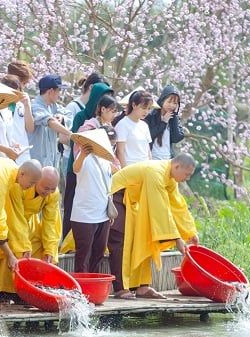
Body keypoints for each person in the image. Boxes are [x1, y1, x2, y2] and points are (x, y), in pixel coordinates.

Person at [108, 155, 199, 300]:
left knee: (144, 238)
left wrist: (190, 232)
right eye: (187, 174)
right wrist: (177, 238)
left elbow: (177, 206)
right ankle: (120, 288)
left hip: (133, 202)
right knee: (120, 239)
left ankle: (142, 287)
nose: (187, 178)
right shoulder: (156, 172)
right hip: (116, 195)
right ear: (177, 167)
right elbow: (160, 208)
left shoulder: (170, 179)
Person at [0, 166, 61, 301]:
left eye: (52, 189)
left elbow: (51, 222)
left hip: (30, 223)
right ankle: (3, 291)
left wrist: (50, 250)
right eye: (45, 188)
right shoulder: (19, 187)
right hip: (11, 219)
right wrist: (23, 245)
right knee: (13, 248)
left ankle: (29, 288)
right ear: (35, 181)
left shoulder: (53, 193)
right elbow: (16, 217)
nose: (49, 192)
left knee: (40, 247)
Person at [62, 80, 113, 239]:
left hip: (98, 172)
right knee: (72, 207)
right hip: (77, 167)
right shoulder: (82, 116)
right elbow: (74, 140)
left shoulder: (107, 123)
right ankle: (67, 240)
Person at [70, 127, 118, 273]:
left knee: (98, 252)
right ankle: (82, 287)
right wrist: (83, 155)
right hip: (84, 215)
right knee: (83, 254)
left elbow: (109, 186)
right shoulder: (84, 158)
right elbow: (75, 169)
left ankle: (93, 284)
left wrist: (110, 211)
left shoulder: (107, 162)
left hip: (102, 214)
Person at [29, 74, 72, 169]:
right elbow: (50, 122)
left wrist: (62, 117)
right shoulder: (34, 106)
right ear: (50, 91)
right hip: (36, 163)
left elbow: (69, 114)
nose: (60, 94)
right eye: (59, 91)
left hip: (51, 161)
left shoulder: (53, 106)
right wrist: (70, 134)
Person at [114, 90, 154, 167]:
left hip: (145, 168)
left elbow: (148, 150)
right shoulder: (122, 124)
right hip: (130, 168)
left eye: (149, 109)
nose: (146, 111)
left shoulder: (144, 125)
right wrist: (125, 172)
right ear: (134, 105)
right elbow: (120, 152)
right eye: (143, 108)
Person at [144, 85, 185, 160]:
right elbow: (149, 135)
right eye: (169, 101)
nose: (171, 105)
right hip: (152, 157)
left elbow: (177, 138)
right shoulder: (151, 116)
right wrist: (163, 122)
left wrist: (175, 116)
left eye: (175, 103)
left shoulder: (174, 119)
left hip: (168, 158)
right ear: (162, 100)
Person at [6, 60, 34, 165]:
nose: (23, 86)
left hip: (22, 153)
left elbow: (30, 128)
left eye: (25, 83)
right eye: (23, 83)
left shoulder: (24, 100)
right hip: (5, 152)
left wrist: (27, 106)